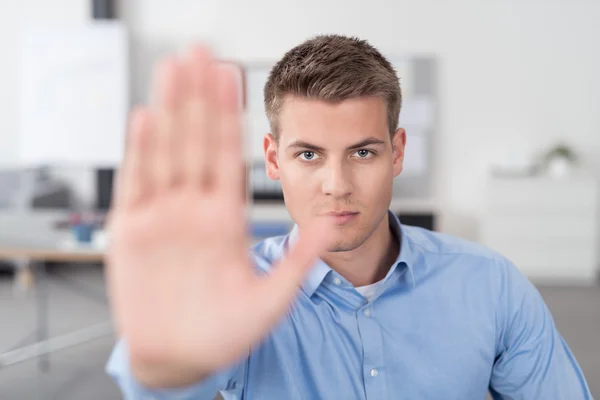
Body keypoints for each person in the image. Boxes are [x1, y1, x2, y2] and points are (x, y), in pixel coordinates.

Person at [105, 34, 592, 399]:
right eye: (309, 156)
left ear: (397, 153)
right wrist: (163, 370)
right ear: (273, 160)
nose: (336, 184)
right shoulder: (238, 292)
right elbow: (166, 376)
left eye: (362, 152)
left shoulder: (491, 285)